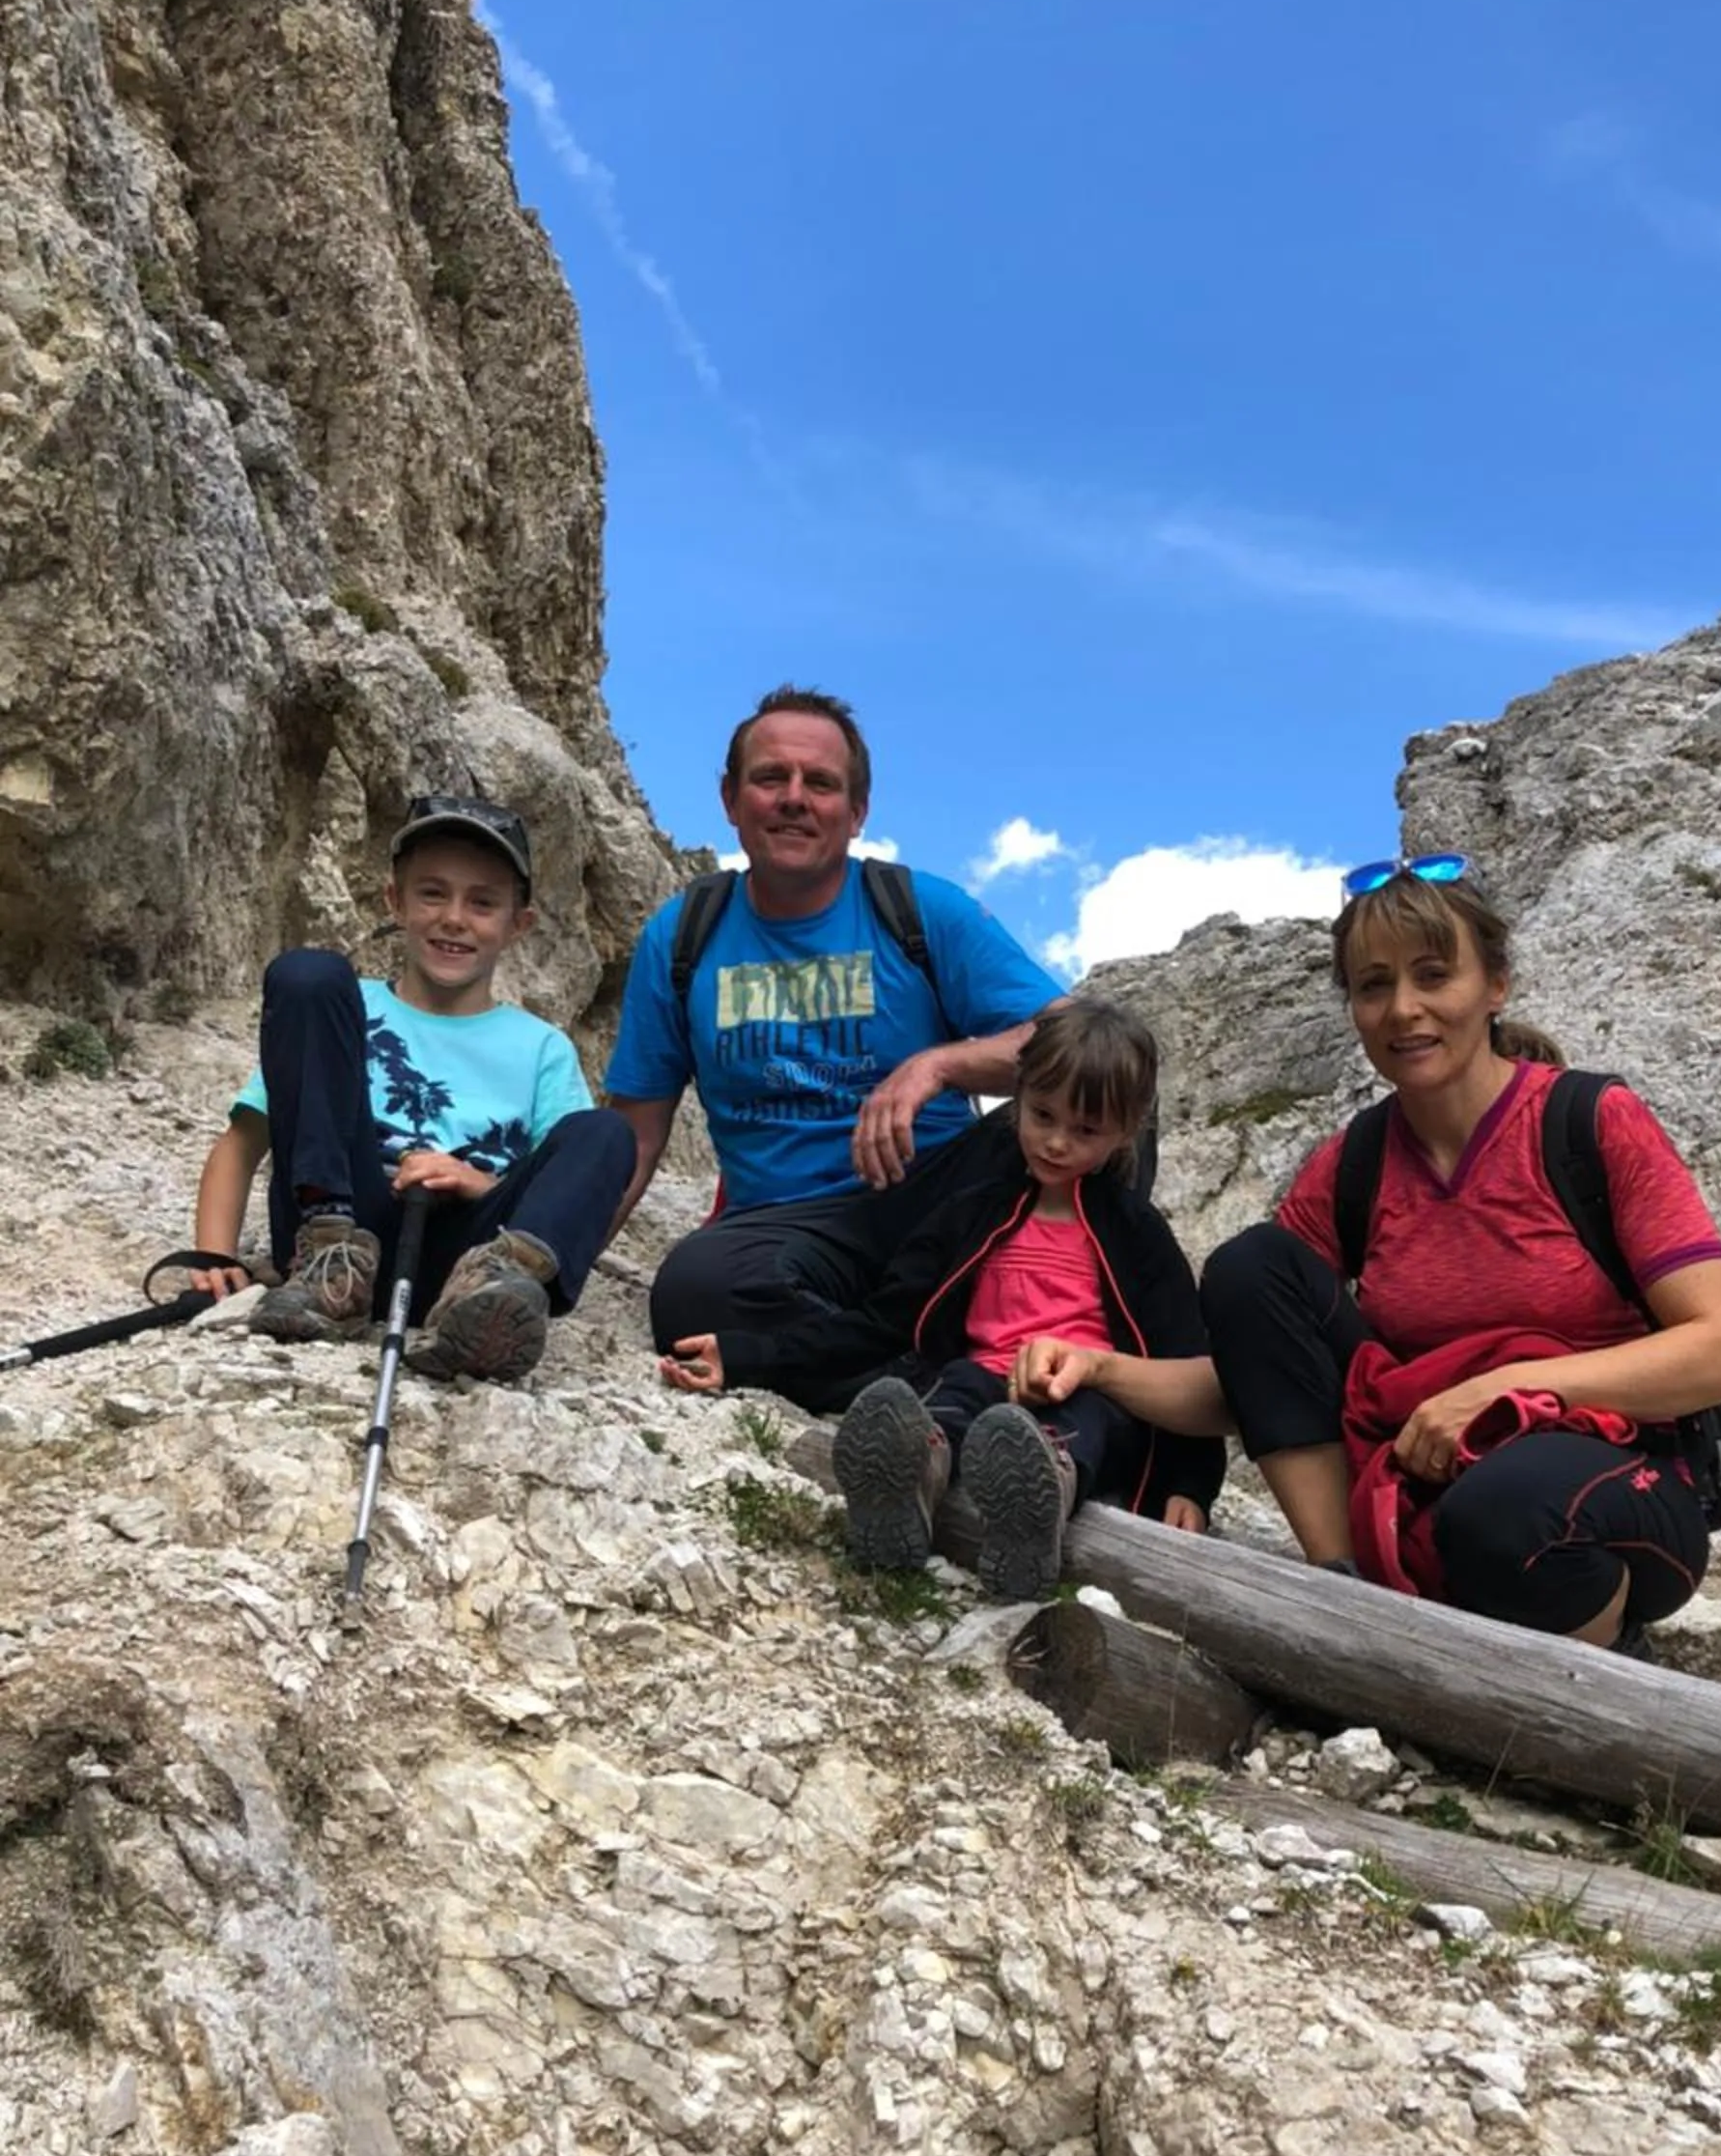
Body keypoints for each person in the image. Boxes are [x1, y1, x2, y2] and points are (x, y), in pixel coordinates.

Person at [1018, 858, 1721, 1651]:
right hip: (1428, 1476)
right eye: (1374, 986)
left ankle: (1603, 1649)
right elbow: (1260, 1383)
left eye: (1433, 976)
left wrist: (1500, 1389)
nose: (1404, 1009)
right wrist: (1099, 1368)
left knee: (1504, 1512)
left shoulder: (1589, 1122)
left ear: (1496, 986)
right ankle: (1349, 1595)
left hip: (1617, 1476)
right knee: (1251, 1266)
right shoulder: (1354, 1166)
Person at [658, 1000, 1223, 1602]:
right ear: (1018, 1096)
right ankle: (908, 1482)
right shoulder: (970, 1212)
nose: (1057, 1142)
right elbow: (880, 1323)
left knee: (1085, 1418)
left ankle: (1037, 1499)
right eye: (1042, 1115)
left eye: (1085, 1131)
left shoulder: (1139, 1237)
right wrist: (744, 1356)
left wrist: (1188, 1484)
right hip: (984, 1381)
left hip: (1088, 1393)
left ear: (1126, 1132)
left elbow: (1186, 1363)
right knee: (952, 1396)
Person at [605, 686, 1065, 1410]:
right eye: (770, 778)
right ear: (730, 799)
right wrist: (549, 1263)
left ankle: (920, 1367)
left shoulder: (919, 910)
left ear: (857, 812)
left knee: (1107, 1091)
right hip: (790, 1229)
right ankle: (928, 1388)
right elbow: (633, 1140)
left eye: (820, 783)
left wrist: (940, 1065)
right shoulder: (682, 935)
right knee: (693, 1291)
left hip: (941, 1199)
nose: (794, 798)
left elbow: (1073, 1037)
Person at [190, 792, 637, 1381]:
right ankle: (331, 1265)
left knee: (606, 1132)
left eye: (482, 903)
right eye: (432, 893)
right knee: (307, 975)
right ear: (395, 901)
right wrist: (214, 1255)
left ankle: (493, 1297)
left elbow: (565, 1185)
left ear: (518, 925)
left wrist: (478, 1182)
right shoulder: (343, 1007)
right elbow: (243, 1143)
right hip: (339, 1228)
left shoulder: (542, 1047)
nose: (454, 918)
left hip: (463, 1254)